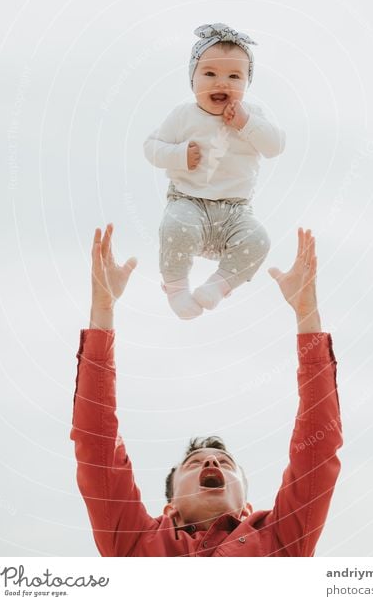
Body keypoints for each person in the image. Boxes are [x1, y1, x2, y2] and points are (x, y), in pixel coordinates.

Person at [71, 223, 343, 557]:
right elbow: (96, 442)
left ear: (246, 503)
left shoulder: (281, 540)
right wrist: (102, 311)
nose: (212, 461)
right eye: (194, 462)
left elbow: (317, 446)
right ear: (171, 506)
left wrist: (307, 316)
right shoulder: (133, 541)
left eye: (225, 463)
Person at [143, 23, 285, 319]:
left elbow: (275, 147)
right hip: (188, 201)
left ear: (247, 83)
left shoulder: (252, 116)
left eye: (234, 76)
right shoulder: (183, 116)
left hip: (235, 213)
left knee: (259, 240)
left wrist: (247, 123)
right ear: (192, 79)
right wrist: (179, 155)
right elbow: (151, 147)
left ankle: (218, 287)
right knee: (175, 227)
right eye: (210, 74)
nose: (222, 83)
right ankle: (177, 288)